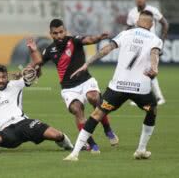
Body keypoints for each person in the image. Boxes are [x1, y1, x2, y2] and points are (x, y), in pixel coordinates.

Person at [64, 10, 162, 161]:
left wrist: (87, 64)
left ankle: (74, 153)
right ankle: (141, 149)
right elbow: (154, 55)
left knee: (96, 114)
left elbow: (106, 49)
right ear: (152, 24)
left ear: (137, 22)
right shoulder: (155, 39)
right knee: (152, 109)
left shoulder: (125, 34)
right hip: (140, 89)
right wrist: (154, 70)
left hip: (118, 87)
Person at [26, 19, 119, 153]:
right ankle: (91, 143)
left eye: (61, 32)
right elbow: (38, 64)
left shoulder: (74, 41)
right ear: (50, 34)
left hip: (86, 81)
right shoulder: (49, 50)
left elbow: (88, 40)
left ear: (65, 31)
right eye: (55, 33)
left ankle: (108, 129)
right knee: (76, 109)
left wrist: (99, 37)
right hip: (68, 88)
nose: (59, 35)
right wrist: (33, 53)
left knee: (94, 98)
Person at [0, 64, 73, 153]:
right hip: (7, 131)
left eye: (4, 77)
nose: (1, 80)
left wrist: (29, 69)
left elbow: (36, 74)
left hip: (24, 124)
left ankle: (72, 147)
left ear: (7, 77)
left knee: (57, 135)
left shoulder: (15, 84)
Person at [127, 0, 168, 105]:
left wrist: (161, 42)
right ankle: (139, 96)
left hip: (151, 45)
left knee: (149, 70)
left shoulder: (152, 10)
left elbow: (165, 23)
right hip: (138, 45)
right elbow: (128, 28)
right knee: (137, 70)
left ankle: (159, 97)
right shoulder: (132, 13)